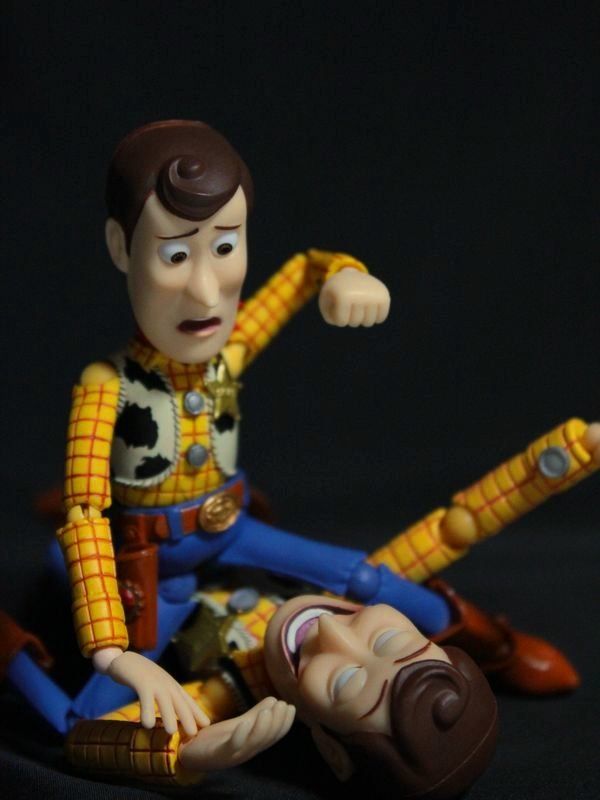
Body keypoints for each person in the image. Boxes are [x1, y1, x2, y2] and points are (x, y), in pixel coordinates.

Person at [1, 119, 594, 737]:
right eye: (175, 255)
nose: (205, 291)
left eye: (224, 248)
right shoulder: (108, 387)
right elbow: (86, 515)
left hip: (231, 529)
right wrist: (112, 650)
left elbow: (306, 271)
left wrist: (344, 274)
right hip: (153, 563)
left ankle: (491, 646)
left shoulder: (226, 352)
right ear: (122, 248)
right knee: (87, 717)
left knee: (361, 576)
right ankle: (11, 659)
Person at [66, 591, 498, 800]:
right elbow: (454, 528)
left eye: (343, 681)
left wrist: (189, 752)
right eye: (389, 639)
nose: (330, 630)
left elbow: (81, 741)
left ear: (330, 749)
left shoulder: (225, 692)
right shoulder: (351, 586)